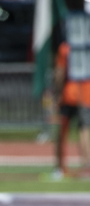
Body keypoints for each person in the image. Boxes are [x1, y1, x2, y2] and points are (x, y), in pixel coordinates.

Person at [55, 0, 90, 177]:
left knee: (64, 127)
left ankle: (60, 166)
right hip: (86, 92)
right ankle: (86, 165)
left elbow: (60, 73)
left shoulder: (65, 48)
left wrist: (57, 92)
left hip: (70, 92)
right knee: (85, 128)